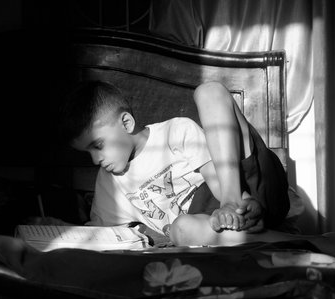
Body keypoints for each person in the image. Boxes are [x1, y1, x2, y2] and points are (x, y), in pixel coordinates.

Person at [58, 80, 290, 246]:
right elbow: (99, 234)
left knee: (208, 91)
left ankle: (234, 200)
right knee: (181, 230)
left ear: (126, 123)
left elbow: (214, 177)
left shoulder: (176, 131)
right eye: (88, 152)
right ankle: (301, 243)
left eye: (98, 145)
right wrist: (55, 227)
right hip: (219, 227)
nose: (96, 159)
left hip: (250, 186)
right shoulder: (109, 183)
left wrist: (240, 202)